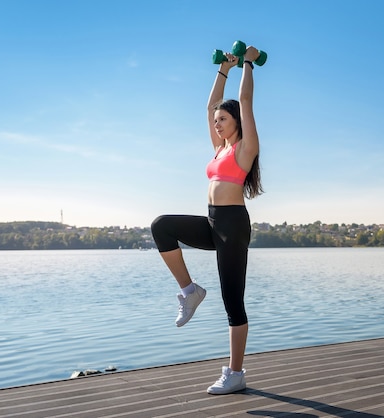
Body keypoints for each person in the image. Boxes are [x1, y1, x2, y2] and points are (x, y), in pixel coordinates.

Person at [151, 45, 263, 395]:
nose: (217, 122)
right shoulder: (220, 147)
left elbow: (245, 101)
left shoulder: (245, 147)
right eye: (216, 121)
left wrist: (247, 64)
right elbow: (209, 105)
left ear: (236, 123)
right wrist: (223, 70)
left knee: (233, 301)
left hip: (232, 226)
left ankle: (236, 372)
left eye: (223, 119)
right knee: (161, 226)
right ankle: (190, 290)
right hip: (213, 221)